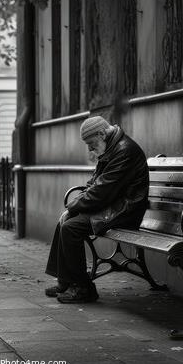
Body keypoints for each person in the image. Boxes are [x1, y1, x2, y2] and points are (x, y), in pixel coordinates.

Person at [44, 116, 150, 303]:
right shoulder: (112, 147)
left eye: (91, 144)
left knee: (71, 227)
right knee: (65, 223)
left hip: (125, 210)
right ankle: (66, 281)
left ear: (101, 134)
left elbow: (101, 192)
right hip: (111, 205)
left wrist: (72, 208)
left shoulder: (124, 151)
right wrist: (73, 209)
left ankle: (84, 288)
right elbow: (94, 184)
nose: (90, 149)